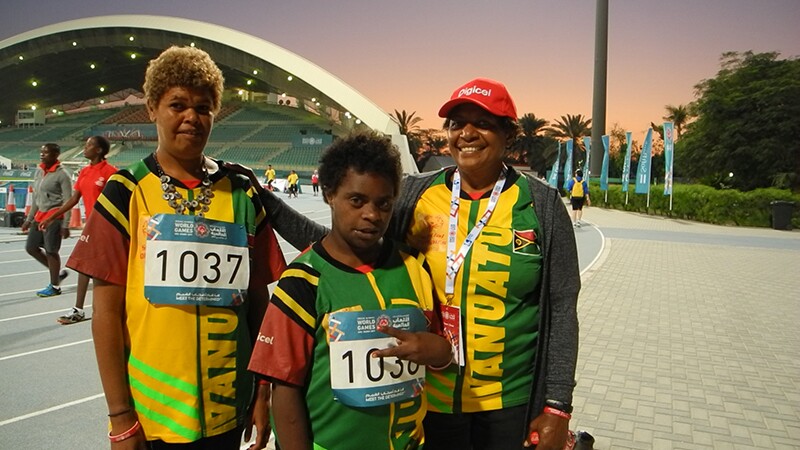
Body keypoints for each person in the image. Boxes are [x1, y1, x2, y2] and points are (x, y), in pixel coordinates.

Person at [248, 77, 580, 450]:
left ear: (509, 134)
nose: (467, 133)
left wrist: (557, 407)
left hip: (509, 403)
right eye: (457, 124)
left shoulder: (543, 207)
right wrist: (267, 202)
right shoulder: (415, 195)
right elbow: (346, 243)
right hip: (428, 403)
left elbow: (562, 309)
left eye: (483, 123)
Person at [66, 46, 286, 450]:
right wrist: (120, 417)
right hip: (153, 414)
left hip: (228, 407)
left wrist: (262, 390)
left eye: (204, 107)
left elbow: (257, 300)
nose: (191, 117)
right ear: (152, 108)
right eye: (177, 104)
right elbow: (107, 315)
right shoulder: (125, 192)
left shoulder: (241, 193)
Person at [247, 131, 451, 450]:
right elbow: (284, 391)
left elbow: (443, 350)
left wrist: (432, 349)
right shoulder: (303, 281)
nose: (371, 214)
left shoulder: (415, 266)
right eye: (357, 201)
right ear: (329, 193)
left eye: (383, 204)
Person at [39, 136, 117, 324]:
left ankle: (97, 309)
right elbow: (74, 200)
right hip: (91, 227)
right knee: (85, 265)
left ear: (99, 150)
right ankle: (79, 309)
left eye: (89, 145)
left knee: (99, 268)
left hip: (108, 228)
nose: (85, 147)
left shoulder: (111, 173)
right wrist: (50, 218)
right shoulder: (84, 172)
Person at [21, 143, 72, 297]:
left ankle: (55, 286)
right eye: (41, 152)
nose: (42, 155)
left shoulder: (62, 175)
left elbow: (69, 201)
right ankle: (56, 274)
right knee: (31, 247)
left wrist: (65, 224)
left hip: (54, 216)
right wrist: (29, 219)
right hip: (39, 216)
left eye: (46, 153)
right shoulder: (39, 171)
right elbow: (37, 197)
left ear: (56, 155)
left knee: (51, 251)